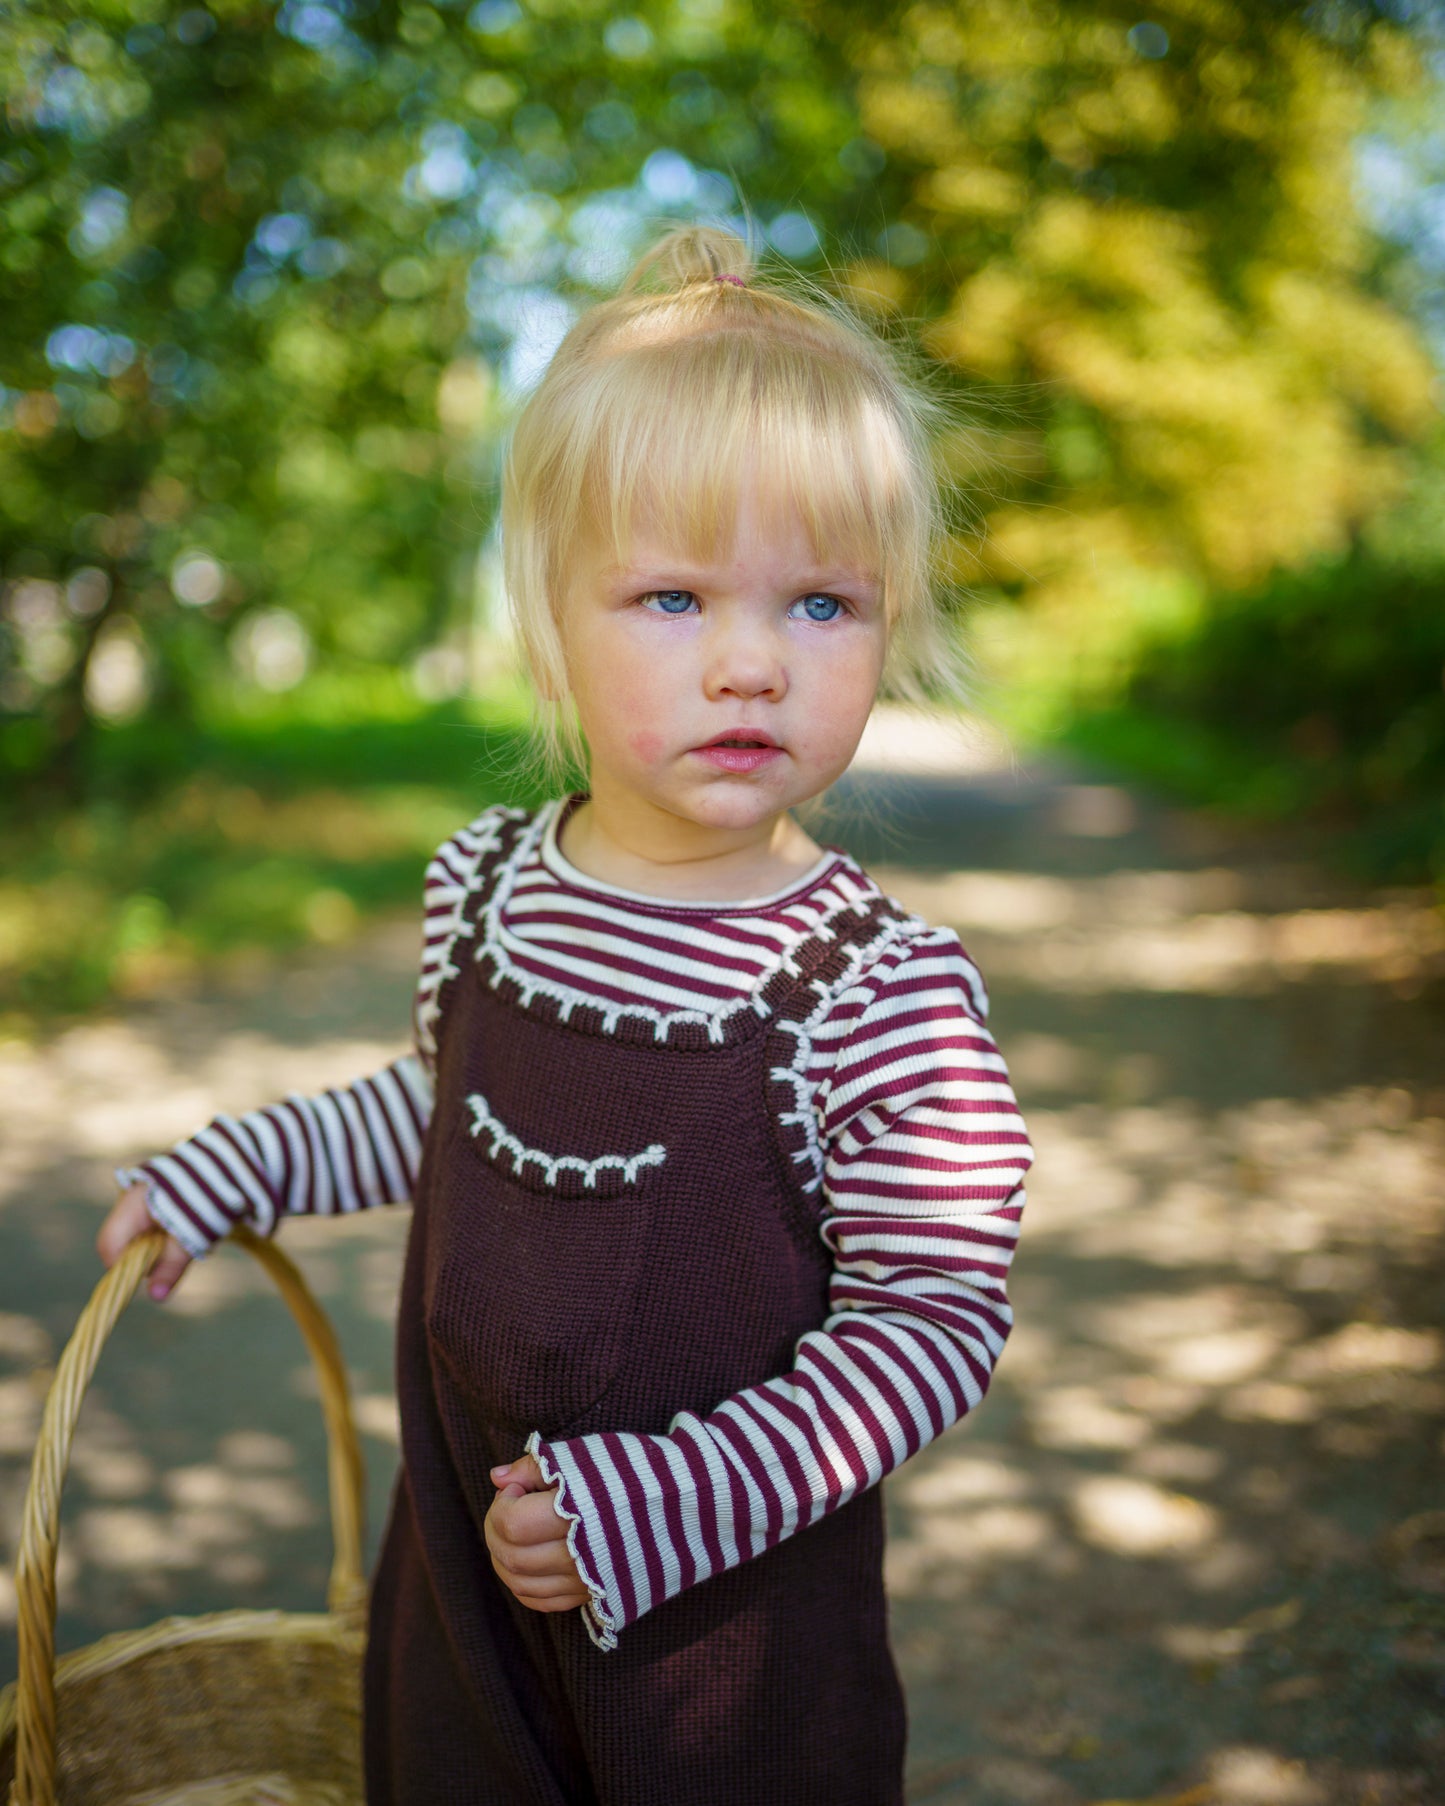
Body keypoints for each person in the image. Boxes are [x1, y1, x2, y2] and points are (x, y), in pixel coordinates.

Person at [98, 224, 1033, 1806]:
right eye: (671, 597)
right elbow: (438, 1105)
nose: (749, 664)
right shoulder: (485, 889)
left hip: (720, 1638)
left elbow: (933, 1318)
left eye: (821, 605)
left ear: (894, 621)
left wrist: (668, 1499)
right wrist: (234, 1163)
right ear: (549, 614)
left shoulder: (873, 989)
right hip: (464, 1583)